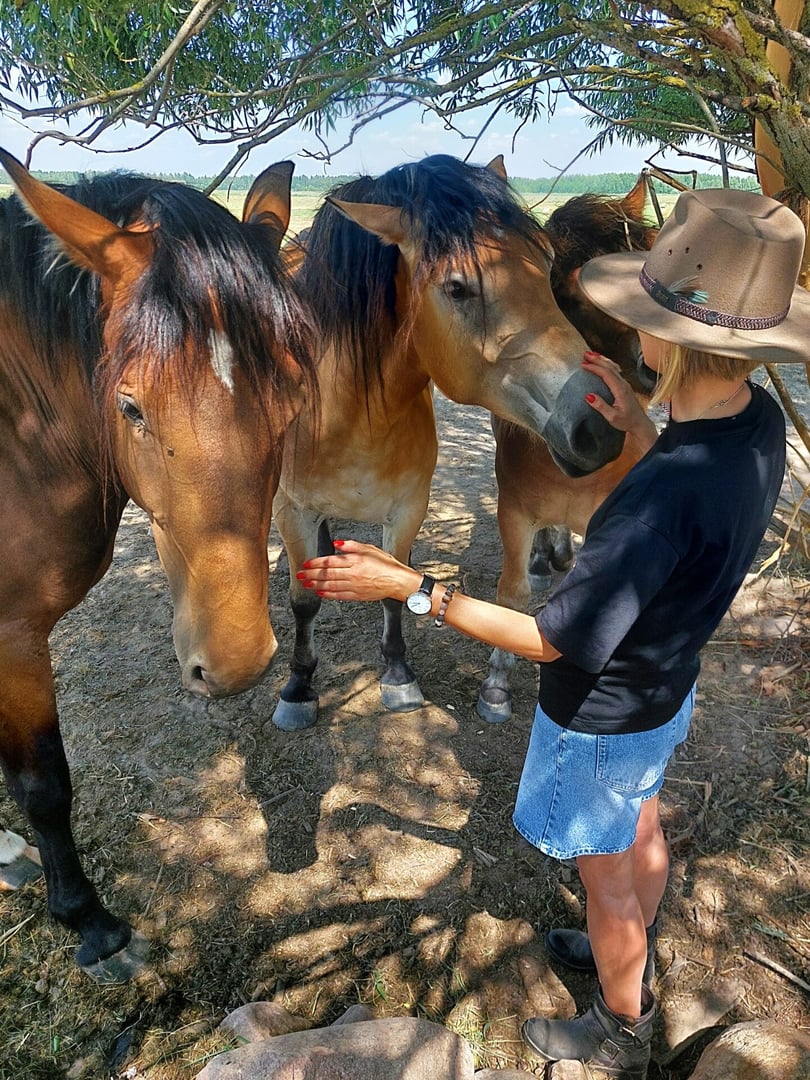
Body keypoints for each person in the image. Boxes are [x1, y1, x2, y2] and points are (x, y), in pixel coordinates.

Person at [296, 187, 810, 1078]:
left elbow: (547, 641)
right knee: (640, 831)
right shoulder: (754, 430)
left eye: (642, 320)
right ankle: (634, 941)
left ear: (666, 342)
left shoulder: (651, 507)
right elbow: (686, 474)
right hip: (664, 690)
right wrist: (640, 421)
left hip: (601, 715)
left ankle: (621, 1024)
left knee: (605, 879)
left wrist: (411, 586)